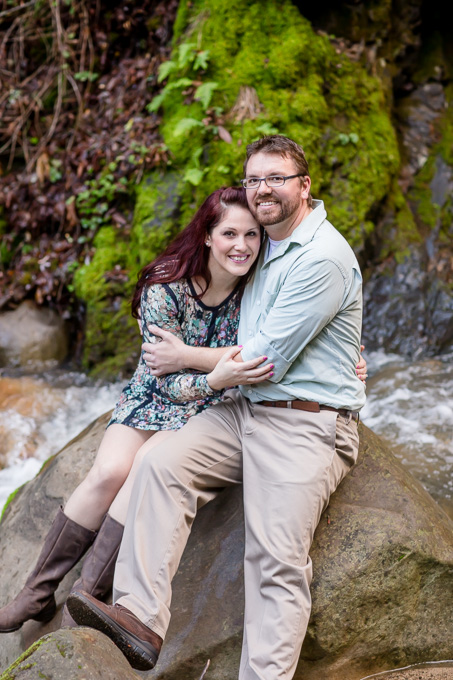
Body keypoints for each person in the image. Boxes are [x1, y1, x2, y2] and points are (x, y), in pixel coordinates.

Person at [67, 135, 367, 680]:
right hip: (243, 410)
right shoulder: (265, 242)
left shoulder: (322, 257)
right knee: (159, 465)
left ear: (305, 186)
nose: (262, 189)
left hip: (304, 422)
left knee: (274, 565)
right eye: (254, 179)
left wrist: (182, 354)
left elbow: (263, 359)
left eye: (275, 178)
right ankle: (139, 615)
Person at [0, 186, 276, 633]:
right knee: (109, 471)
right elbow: (163, 376)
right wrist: (211, 373)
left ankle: (88, 596)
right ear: (207, 235)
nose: (241, 246)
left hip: (210, 406)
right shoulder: (165, 287)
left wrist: (347, 355)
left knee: (146, 470)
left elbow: (283, 341)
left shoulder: (260, 286)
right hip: (158, 393)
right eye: (229, 233)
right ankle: (36, 592)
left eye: (252, 235)